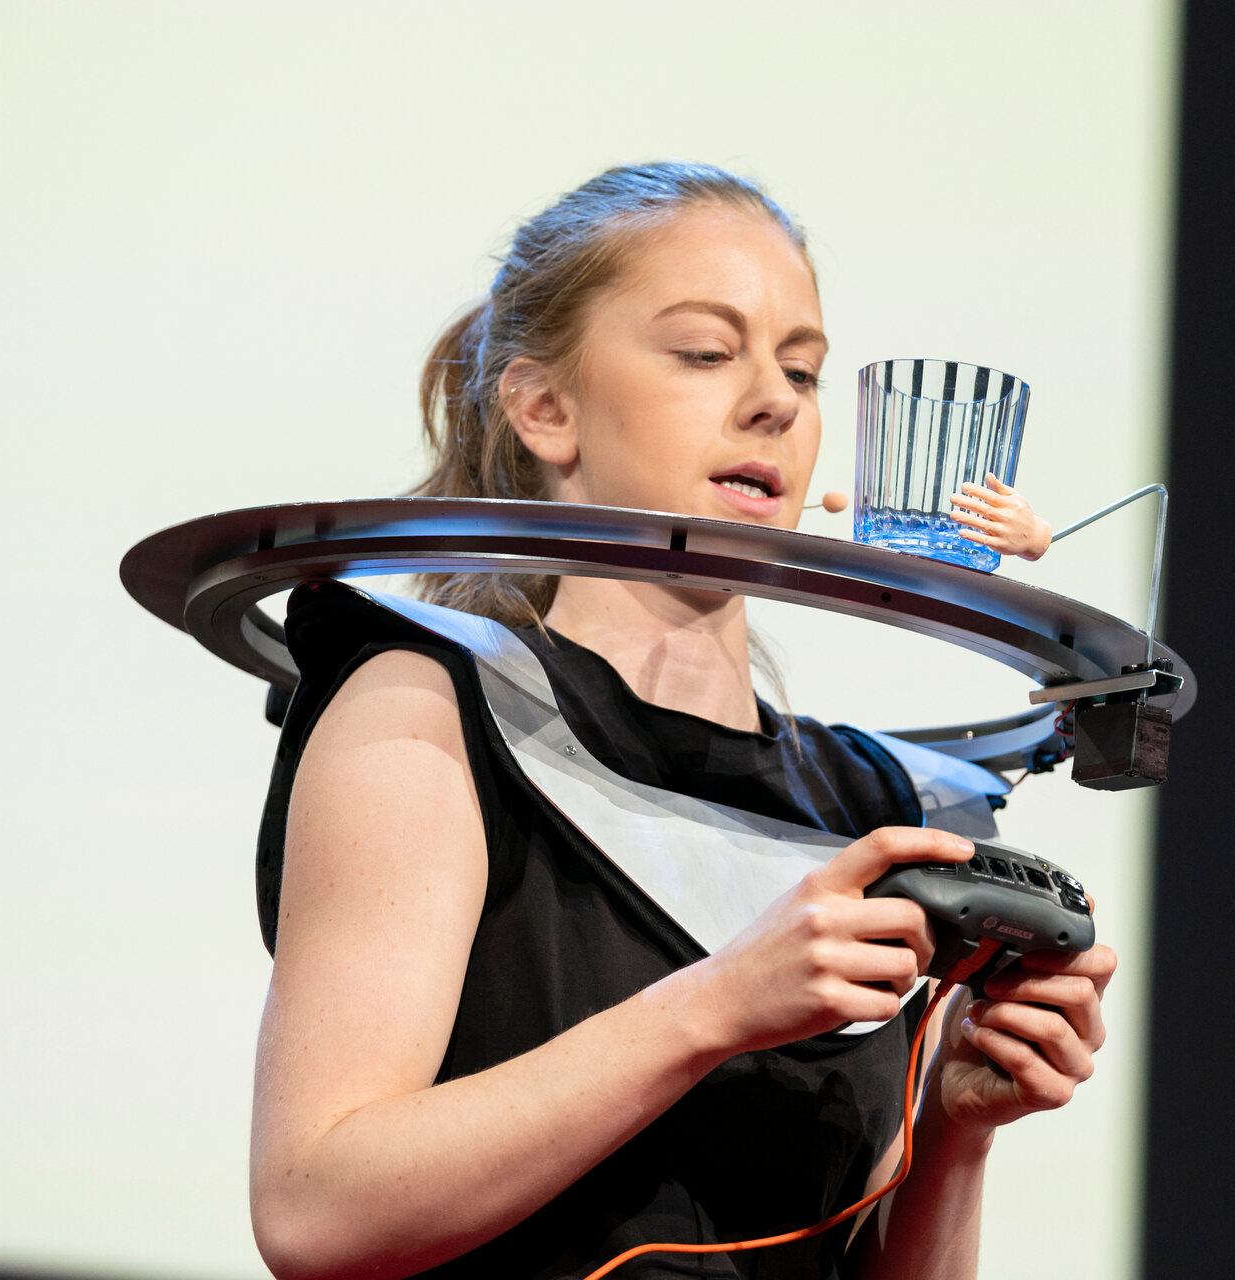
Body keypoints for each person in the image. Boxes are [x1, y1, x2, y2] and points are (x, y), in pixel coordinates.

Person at [247, 162, 1114, 1280]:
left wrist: (954, 1129)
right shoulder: (431, 708)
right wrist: (716, 1006)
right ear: (544, 409)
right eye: (707, 353)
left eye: (801, 368)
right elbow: (314, 1209)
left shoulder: (873, 805)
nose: (775, 401)